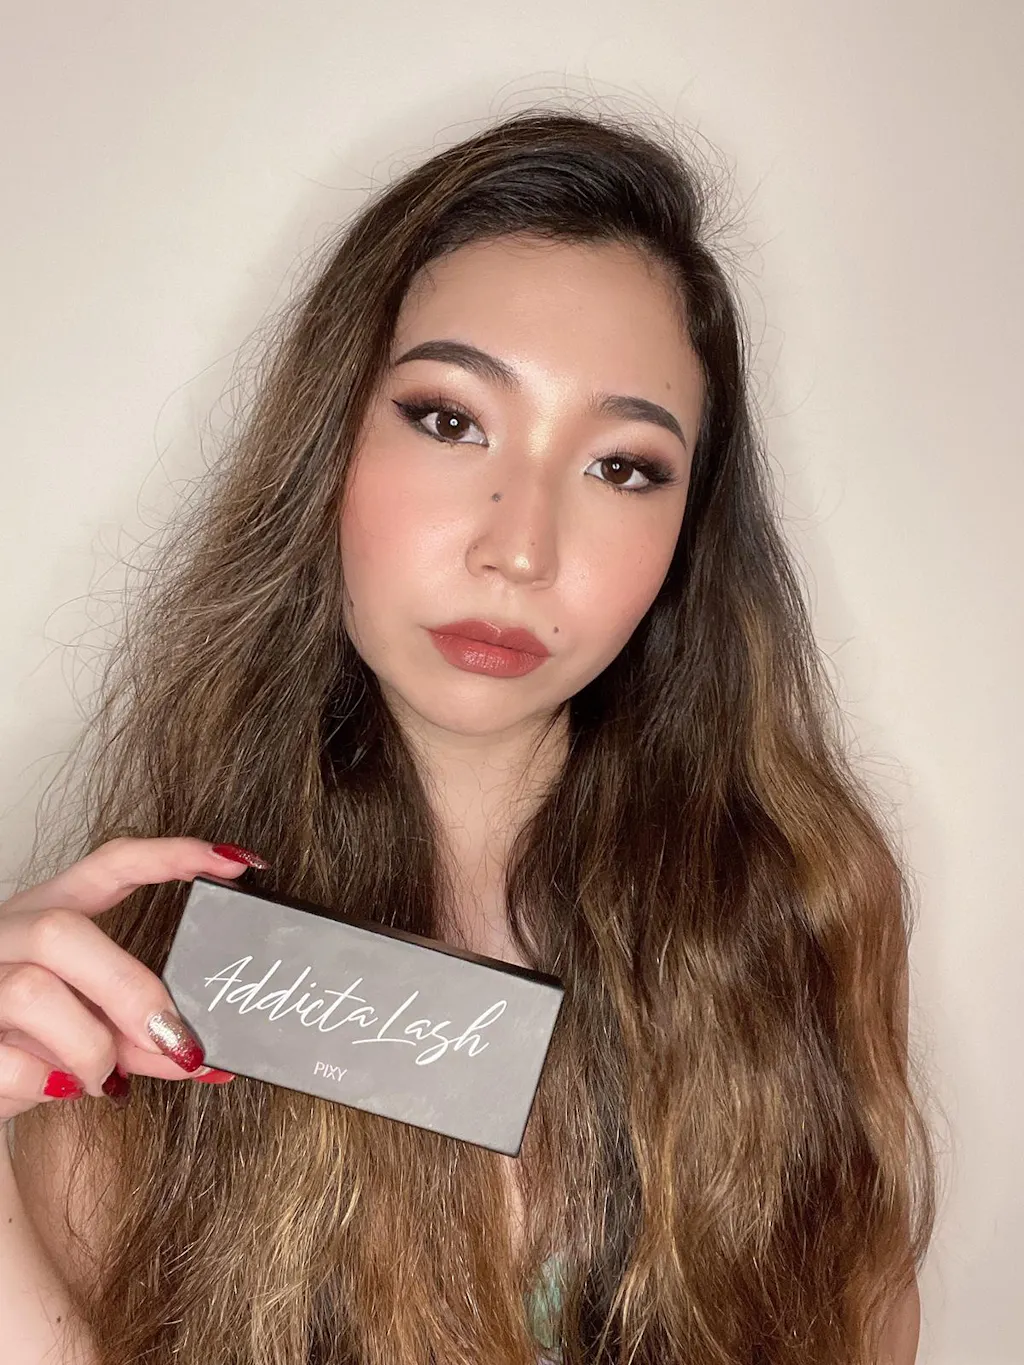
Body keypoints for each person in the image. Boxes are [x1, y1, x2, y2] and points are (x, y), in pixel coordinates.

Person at [0, 108, 936, 1364]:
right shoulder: (138, 985)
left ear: (687, 539)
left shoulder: (797, 913)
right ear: (328, 443)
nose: (520, 547)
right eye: (449, 420)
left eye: (623, 467)